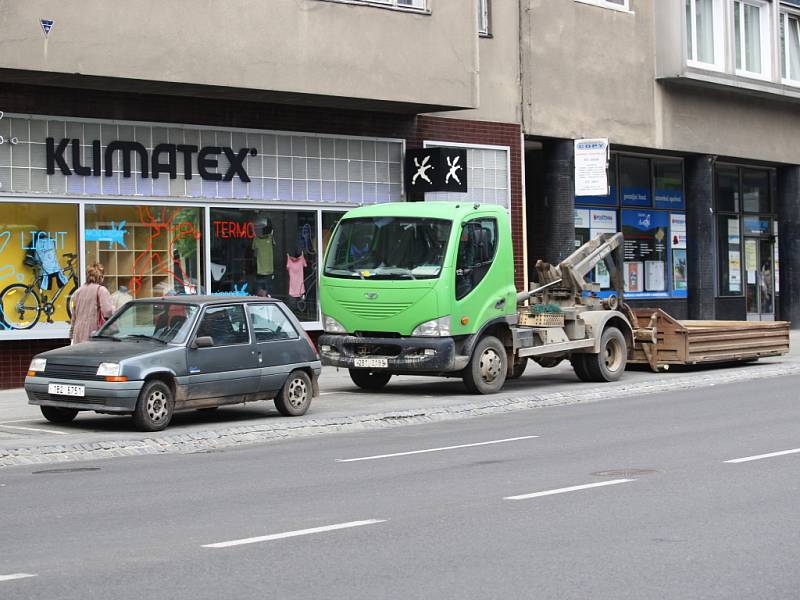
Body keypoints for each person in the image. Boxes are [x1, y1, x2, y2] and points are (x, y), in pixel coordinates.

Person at [69, 263, 114, 344]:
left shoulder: (77, 292)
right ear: (101, 276)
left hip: (78, 331)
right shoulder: (101, 290)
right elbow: (108, 312)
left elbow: (73, 315)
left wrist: (71, 333)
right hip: (93, 331)